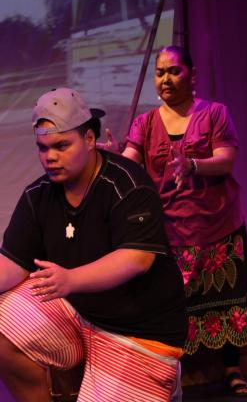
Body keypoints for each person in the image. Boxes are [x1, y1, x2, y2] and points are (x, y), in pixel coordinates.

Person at [0, 88, 187, 402]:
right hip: (77, 314)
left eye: (61, 146)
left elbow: (137, 258)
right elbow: (12, 264)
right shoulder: (39, 194)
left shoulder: (127, 183)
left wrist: (71, 279)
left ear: (89, 139)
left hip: (136, 332)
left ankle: (162, 384)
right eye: (43, 148)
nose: (50, 157)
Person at [104, 45, 247, 396]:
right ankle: (172, 373)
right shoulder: (145, 123)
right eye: (160, 72)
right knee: (174, 304)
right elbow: (131, 160)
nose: (165, 79)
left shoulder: (215, 114)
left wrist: (193, 165)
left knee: (227, 300)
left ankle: (232, 369)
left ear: (192, 75)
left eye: (173, 71)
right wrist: (113, 156)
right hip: (170, 229)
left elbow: (225, 160)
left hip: (217, 223)